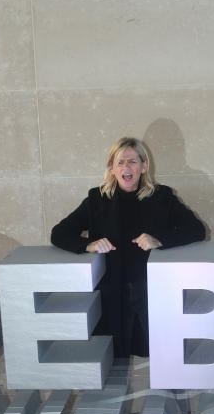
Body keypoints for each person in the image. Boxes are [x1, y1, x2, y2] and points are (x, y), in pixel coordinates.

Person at [50, 137, 206, 358]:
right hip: (112, 292)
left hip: (153, 291)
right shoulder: (97, 199)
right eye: (120, 162)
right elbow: (58, 233)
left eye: (132, 161)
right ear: (111, 168)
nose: (126, 167)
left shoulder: (162, 197)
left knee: (167, 356)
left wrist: (159, 240)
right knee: (114, 361)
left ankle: (174, 393)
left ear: (144, 166)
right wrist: (88, 245)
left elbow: (196, 229)